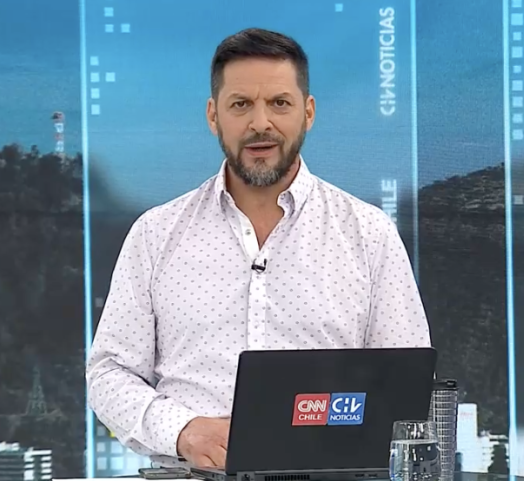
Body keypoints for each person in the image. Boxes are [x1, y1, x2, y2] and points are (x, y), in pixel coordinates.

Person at [86, 27, 431, 470]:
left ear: (308, 112)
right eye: (241, 104)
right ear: (213, 116)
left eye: (280, 103)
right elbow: (108, 373)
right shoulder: (155, 235)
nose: (261, 123)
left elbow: (405, 383)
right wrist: (183, 430)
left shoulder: (369, 234)